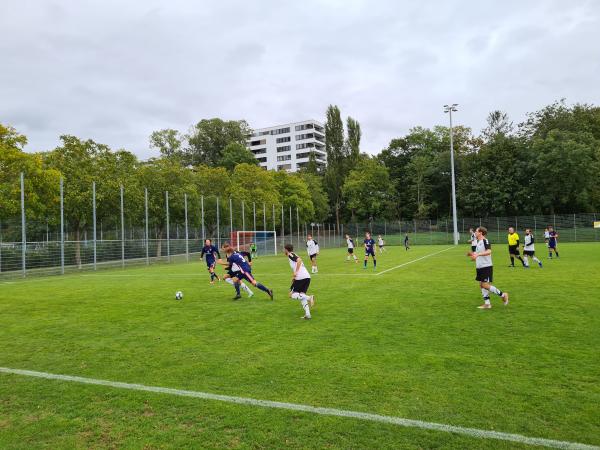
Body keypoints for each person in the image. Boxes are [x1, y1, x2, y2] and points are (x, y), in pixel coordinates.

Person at [467, 226, 509, 309]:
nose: (475, 232)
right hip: (479, 267)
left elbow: (489, 251)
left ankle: (503, 295)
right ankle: (487, 304)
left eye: (476, 231)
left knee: (484, 284)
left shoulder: (485, 241)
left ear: (480, 233)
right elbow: (477, 254)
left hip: (486, 266)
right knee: (482, 285)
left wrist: (477, 254)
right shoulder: (478, 242)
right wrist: (472, 255)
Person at [284, 243, 315, 320]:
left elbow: (299, 260)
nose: (283, 251)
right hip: (306, 277)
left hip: (301, 277)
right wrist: (294, 277)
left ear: (286, 250)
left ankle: (309, 297)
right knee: (301, 295)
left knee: (291, 295)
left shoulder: (290, 254)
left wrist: (296, 272)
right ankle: (308, 314)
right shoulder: (294, 254)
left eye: (284, 249)